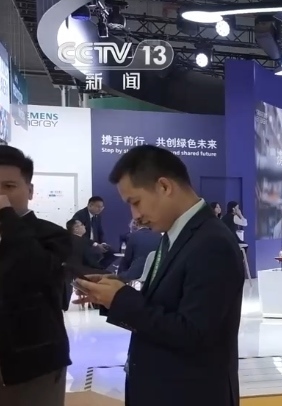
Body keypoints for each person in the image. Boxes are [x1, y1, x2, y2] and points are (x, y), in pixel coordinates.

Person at [73, 145, 244, 406]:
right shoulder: (175, 236)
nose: (135, 216)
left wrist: (121, 299)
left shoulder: (212, 242)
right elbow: (164, 306)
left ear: (164, 186)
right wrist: (111, 294)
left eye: (135, 202)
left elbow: (193, 333)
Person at [0, 145, 72, 405]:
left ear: (30, 190)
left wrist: (7, 218)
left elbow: (32, 271)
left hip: (33, 367)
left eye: (9, 186)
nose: (1, 195)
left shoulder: (53, 236)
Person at [72, 196, 116, 268]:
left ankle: (100, 269)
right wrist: (95, 244)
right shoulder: (80, 215)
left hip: (95, 244)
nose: (100, 209)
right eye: (98, 207)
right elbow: (79, 235)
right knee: (94, 254)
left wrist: (103, 243)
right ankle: (96, 269)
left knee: (112, 254)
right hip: (85, 244)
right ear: (90, 205)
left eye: (102, 207)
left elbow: (100, 232)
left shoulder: (97, 216)